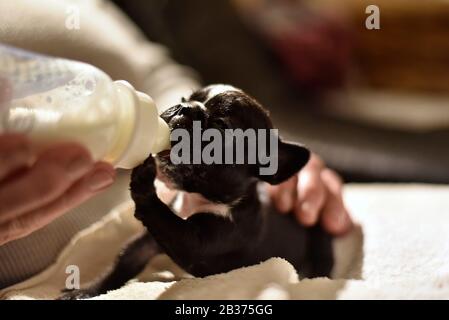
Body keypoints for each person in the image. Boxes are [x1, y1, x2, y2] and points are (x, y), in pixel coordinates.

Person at [0, 0, 352, 289]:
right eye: (188, 106)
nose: (185, 111)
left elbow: (162, 77)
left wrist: (252, 137)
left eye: (215, 129)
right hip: (53, 273)